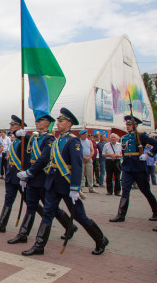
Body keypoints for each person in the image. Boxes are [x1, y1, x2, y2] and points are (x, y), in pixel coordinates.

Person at [22, 108, 108, 256]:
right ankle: (39, 245)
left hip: (67, 184)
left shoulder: (72, 141)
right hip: (53, 183)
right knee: (48, 212)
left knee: (80, 216)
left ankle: (101, 239)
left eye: (61, 121)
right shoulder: (57, 140)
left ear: (68, 124)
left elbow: (77, 165)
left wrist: (75, 187)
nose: (58, 123)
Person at [13, 115, 75, 244]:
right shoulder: (36, 138)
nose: (36, 123)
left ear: (47, 123)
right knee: (31, 206)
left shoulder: (50, 138)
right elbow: (27, 152)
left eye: (39, 121)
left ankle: (70, 226)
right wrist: (19, 134)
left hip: (43, 178)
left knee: (50, 207)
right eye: (36, 120)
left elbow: (43, 159)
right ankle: (23, 234)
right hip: (32, 179)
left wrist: (29, 172)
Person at [109, 115, 157, 222]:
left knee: (145, 190)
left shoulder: (141, 136)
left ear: (135, 125)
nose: (127, 126)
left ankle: (156, 211)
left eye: (130, 124)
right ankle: (121, 215)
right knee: (125, 190)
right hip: (127, 168)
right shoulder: (124, 137)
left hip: (139, 167)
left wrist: (148, 154)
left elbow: (156, 144)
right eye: (127, 124)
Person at [0, 115, 27, 233]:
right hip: (11, 176)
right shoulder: (14, 141)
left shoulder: (25, 141)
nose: (10, 127)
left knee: (31, 203)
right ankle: (1, 224)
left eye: (13, 125)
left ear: (20, 127)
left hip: (21, 177)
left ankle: (62, 221)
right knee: (8, 200)